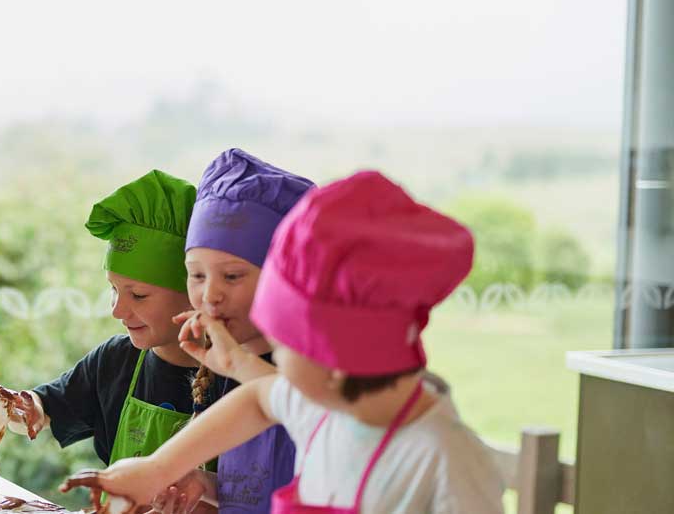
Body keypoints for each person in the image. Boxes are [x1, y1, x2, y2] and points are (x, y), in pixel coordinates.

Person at [63, 171, 505, 514]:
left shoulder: (446, 460)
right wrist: (157, 469)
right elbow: (260, 399)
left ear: (335, 354)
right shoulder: (334, 410)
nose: (275, 359)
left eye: (283, 343)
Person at [0, 170, 201, 469]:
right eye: (114, 290)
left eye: (138, 295)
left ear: (194, 291)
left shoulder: (233, 376)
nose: (117, 310)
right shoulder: (114, 360)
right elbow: (47, 406)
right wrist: (25, 409)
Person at [158, 149, 313, 514]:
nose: (210, 294)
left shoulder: (315, 377)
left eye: (232, 276)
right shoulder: (228, 366)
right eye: (197, 275)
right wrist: (205, 485)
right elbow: (258, 490)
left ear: (283, 279)